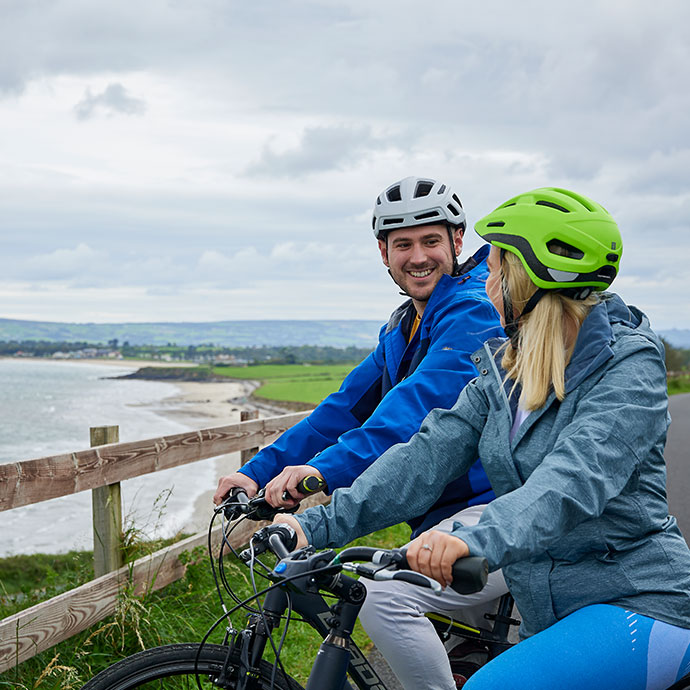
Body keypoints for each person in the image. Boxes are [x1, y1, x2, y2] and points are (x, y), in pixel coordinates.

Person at [281, 187, 690, 690]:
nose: (488, 283)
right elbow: (425, 454)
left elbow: (572, 480)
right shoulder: (504, 370)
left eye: (496, 270)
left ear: (530, 281)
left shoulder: (627, 367)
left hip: (637, 603)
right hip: (549, 614)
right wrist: (318, 526)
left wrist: (468, 537)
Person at [214, 176, 507, 688]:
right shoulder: (404, 326)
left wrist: (319, 474)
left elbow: (407, 417)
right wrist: (254, 472)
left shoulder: (474, 312)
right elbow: (342, 410)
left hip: (490, 510)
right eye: (403, 245)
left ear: (457, 242)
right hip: (439, 519)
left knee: (384, 600)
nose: (418, 256)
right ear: (383, 252)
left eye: (431, 241)